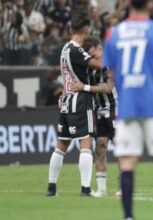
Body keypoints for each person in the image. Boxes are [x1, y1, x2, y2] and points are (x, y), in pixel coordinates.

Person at [103, 0, 153, 219]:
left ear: (127, 4)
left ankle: (128, 216)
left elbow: (112, 73)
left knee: (127, 161)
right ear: (151, 5)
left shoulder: (113, 34)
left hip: (128, 105)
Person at [46, 14, 102, 197]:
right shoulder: (77, 51)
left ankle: (51, 187)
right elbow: (97, 65)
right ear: (86, 31)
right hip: (80, 101)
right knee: (86, 143)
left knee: (61, 145)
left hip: (67, 99)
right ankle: (86, 188)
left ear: (70, 30)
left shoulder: (64, 49)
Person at [70, 36, 116, 197]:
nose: (92, 59)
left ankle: (126, 185)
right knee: (101, 147)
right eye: (89, 56)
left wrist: (85, 87)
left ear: (100, 49)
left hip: (114, 108)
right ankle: (102, 190)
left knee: (120, 145)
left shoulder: (110, 63)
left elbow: (108, 88)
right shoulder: (89, 66)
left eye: (93, 55)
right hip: (98, 110)